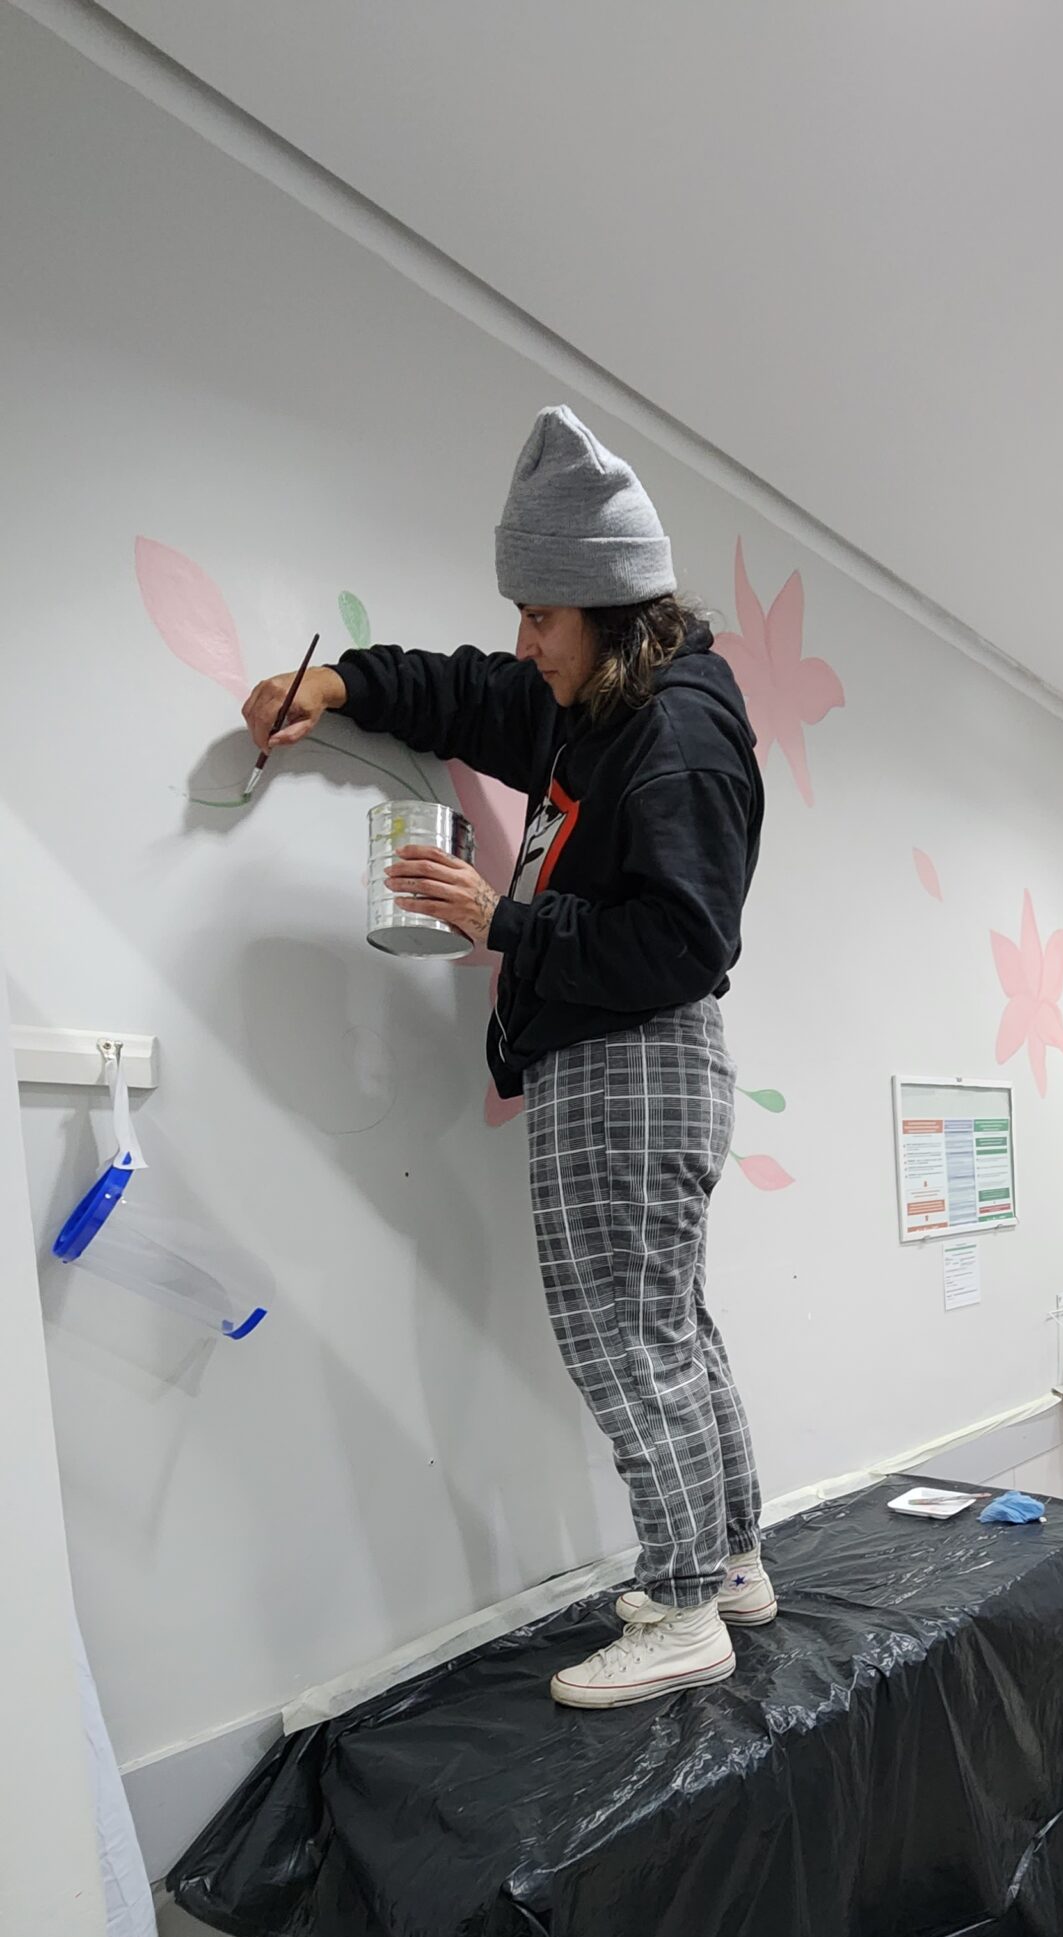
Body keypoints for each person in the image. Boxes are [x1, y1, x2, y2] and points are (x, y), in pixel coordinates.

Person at [243, 406, 773, 1710]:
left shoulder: (673, 733)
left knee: (622, 1334)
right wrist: (339, 685)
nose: (525, 641)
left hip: (629, 1054)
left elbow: (684, 940)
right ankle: (728, 1566)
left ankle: (686, 1605)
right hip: (622, 1055)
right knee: (665, 1326)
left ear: (606, 607)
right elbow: (475, 694)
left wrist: (504, 922)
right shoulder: (597, 705)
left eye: (539, 614)